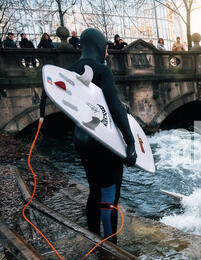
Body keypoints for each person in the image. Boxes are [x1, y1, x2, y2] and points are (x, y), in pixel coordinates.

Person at [39, 28, 137, 243]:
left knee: (94, 190)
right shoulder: (101, 70)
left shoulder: (69, 70)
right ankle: (110, 246)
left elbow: (88, 104)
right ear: (99, 46)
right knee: (110, 194)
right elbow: (113, 108)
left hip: (82, 140)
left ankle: (93, 236)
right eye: (106, 48)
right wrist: (130, 142)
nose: (108, 53)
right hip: (104, 141)